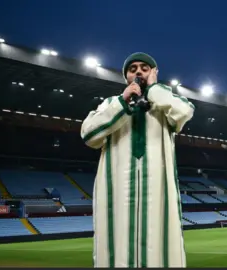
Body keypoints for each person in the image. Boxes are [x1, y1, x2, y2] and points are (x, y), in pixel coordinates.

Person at [80, 52, 195, 268]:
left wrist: (154, 90)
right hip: (117, 200)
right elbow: (88, 134)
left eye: (145, 68)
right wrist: (123, 102)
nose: (139, 72)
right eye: (133, 69)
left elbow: (186, 111)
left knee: (162, 253)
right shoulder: (111, 104)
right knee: (115, 252)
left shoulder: (164, 108)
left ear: (154, 73)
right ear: (126, 78)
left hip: (160, 199)